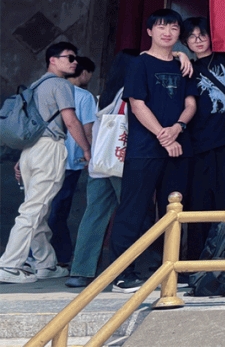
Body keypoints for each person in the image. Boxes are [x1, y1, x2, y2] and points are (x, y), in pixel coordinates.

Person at [110, 10, 197, 292]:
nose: (167, 33)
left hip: (178, 150)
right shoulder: (138, 64)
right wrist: (165, 136)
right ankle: (122, 273)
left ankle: (169, 269)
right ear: (149, 31)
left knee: (173, 212)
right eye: (161, 27)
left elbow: (191, 104)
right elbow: (137, 105)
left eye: (173, 28)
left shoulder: (183, 65)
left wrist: (178, 128)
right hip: (145, 150)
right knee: (133, 210)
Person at [0, 43, 91, 284]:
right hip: (49, 148)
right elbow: (70, 120)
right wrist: (86, 149)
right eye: (69, 57)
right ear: (53, 59)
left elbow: (33, 125)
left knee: (37, 209)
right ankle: (9, 265)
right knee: (34, 210)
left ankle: (45, 264)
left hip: (31, 150)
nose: (75, 62)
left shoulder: (35, 85)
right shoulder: (61, 84)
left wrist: (22, 158)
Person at [66, 51, 140, 288]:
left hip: (100, 163)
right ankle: (125, 269)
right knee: (130, 215)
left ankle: (81, 271)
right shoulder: (128, 93)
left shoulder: (105, 93)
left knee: (94, 215)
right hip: (120, 163)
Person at [180, 17, 225, 262]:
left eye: (202, 35)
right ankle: (197, 264)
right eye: (192, 36)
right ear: (185, 41)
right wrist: (178, 54)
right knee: (200, 203)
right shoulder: (186, 67)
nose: (198, 40)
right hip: (200, 146)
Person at [45, 56, 96, 273]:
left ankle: (47, 257)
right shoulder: (84, 96)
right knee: (58, 211)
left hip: (45, 157)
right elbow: (87, 129)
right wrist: (89, 153)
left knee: (43, 210)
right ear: (83, 73)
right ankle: (59, 258)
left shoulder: (46, 90)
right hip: (70, 160)